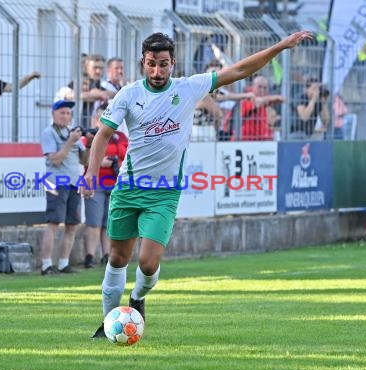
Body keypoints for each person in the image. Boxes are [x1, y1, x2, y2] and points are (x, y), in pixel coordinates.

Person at [82, 30, 313, 338]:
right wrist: (91, 172)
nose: (157, 71)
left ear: (173, 63)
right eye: (151, 64)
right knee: (117, 258)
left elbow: (239, 70)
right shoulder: (128, 94)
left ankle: (138, 299)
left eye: (163, 64)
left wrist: (281, 47)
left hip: (164, 192)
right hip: (128, 188)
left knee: (149, 264)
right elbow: (103, 135)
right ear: (142, 63)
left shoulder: (189, 88)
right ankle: (107, 322)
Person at [39, 99, 88, 275]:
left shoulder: (72, 132)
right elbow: (55, 159)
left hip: (75, 182)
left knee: (72, 225)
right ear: (53, 114)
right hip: (55, 182)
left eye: (68, 113)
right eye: (62, 113)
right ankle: (46, 265)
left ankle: (63, 263)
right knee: (53, 223)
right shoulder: (49, 132)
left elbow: (84, 160)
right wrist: (70, 142)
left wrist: (88, 143)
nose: (65, 116)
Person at [82, 105, 129, 268]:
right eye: (103, 118)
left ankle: (107, 255)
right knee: (94, 222)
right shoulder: (89, 136)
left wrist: (117, 163)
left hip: (116, 184)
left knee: (109, 223)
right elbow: (84, 159)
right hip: (96, 183)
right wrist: (102, 162)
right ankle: (90, 256)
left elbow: (128, 157)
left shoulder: (121, 136)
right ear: (96, 120)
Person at [56, 54, 115, 128]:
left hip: (92, 130)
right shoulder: (78, 83)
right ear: (86, 67)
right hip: (72, 130)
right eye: (95, 67)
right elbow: (69, 95)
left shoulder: (102, 84)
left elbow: (113, 94)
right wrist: (95, 94)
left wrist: (97, 94)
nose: (98, 71)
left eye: (101, 68)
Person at [240, 75, 284, 141]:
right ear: (253, 87)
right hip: (246, 140)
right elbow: (257, 102)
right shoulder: (247, 98)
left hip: (262, 140)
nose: (262, 90)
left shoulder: (266, 100)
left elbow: (282, 99)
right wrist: (273, 98)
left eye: (265, 88)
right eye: (259, 87)